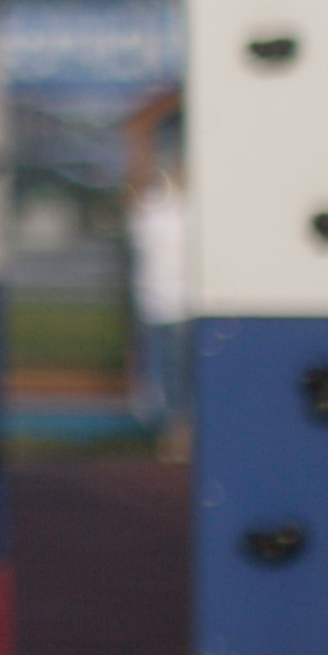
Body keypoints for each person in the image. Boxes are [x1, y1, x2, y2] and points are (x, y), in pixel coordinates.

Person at [127, 160, 190, 448]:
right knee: (168, 369)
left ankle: (174, 428)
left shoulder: (153, 212)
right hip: (163, 302)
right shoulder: (159, 211)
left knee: (169, 369)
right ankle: (172, 428)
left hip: (168, 302)